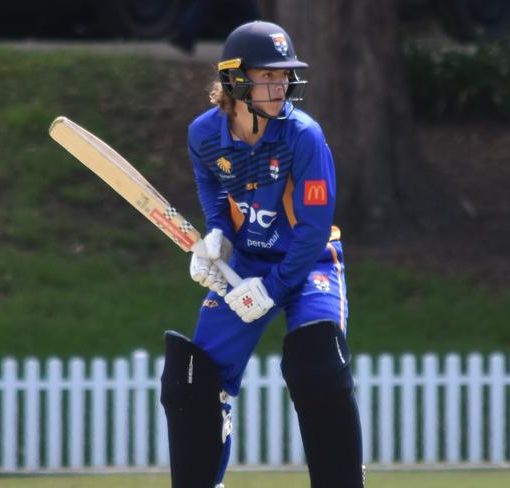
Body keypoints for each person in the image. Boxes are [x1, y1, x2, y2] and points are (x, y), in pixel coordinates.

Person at [160, 20, 364, 488]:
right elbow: (210, 181)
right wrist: (217, 236)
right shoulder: (203, 135)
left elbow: (313, 229)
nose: (280, 85)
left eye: (283, 75)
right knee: (194, 379)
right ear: (235, 80)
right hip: (247, 259)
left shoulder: (303, 136)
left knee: (318, 365)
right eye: (267, 75)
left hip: (309, 258)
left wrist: (271, 292)